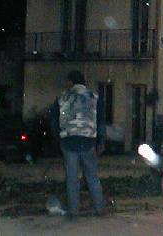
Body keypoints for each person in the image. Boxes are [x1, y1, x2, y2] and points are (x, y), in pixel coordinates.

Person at [50, 70, 105, 220]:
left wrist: (58, 139)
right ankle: (99, 208)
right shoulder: (94, 97)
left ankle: (74, 212)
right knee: (92, 176)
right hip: (88, 141)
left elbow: (54, 121)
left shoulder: (62, 98)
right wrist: (100, 140)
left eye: (67, 81)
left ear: (71, 82)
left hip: (68, 141)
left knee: (72, 178)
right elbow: (100, 121)